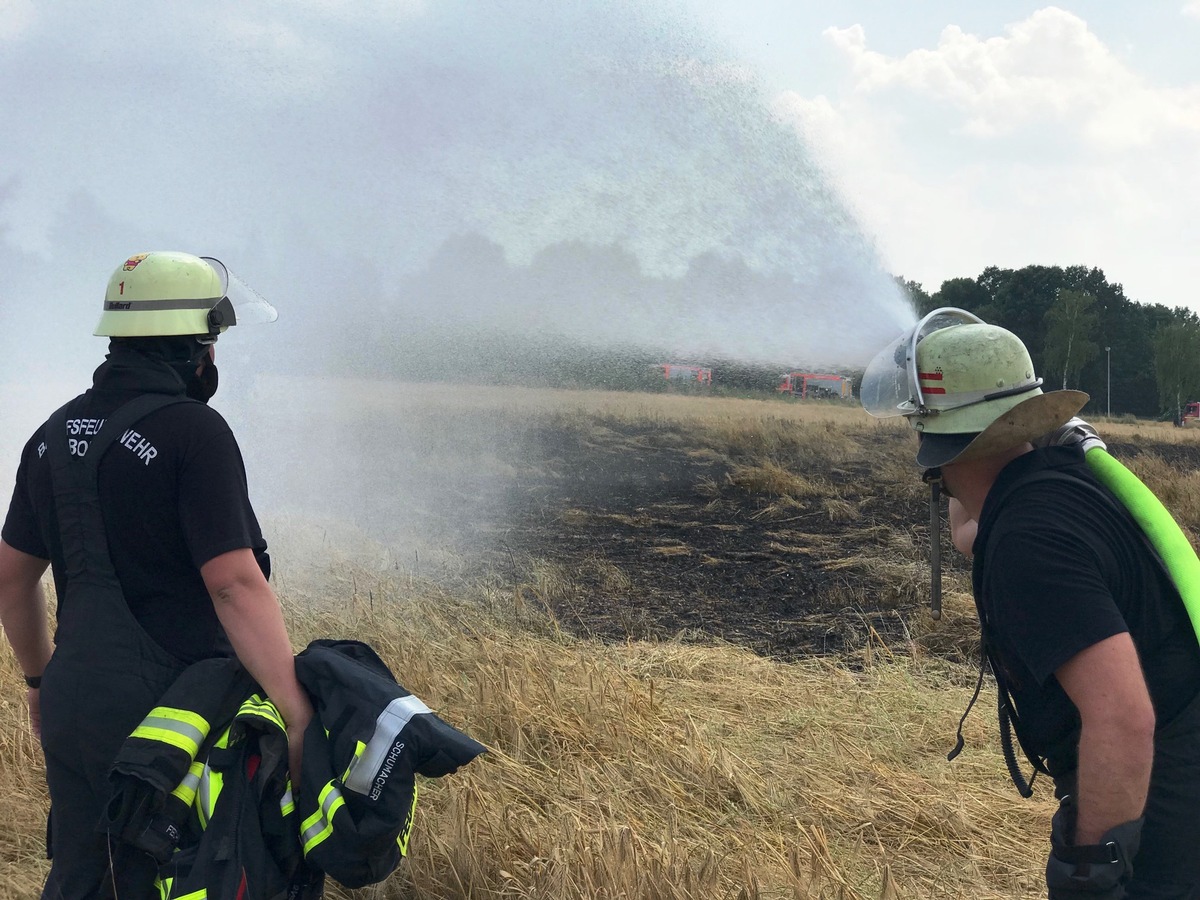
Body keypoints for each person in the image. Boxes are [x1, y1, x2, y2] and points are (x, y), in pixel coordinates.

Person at [0, 251, 313, 898]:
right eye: (213, 342)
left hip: (73, 702)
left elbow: (9, 576)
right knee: (178, 878)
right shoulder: (195, 432)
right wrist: (297, 711)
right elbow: (233, 582)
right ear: (195, 346)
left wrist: (39, 680)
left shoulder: (51, 435)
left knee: (86, 874)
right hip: (173, 711)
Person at [863, 309, 1200, 898]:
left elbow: (1122, 718)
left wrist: (1090, 867)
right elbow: (973, 532)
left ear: (929, 430)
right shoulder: (1049, 485)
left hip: (1162, 791)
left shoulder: (1030, 542)